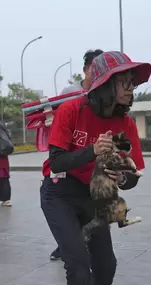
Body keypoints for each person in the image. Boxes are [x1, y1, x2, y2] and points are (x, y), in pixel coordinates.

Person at [41, 51, 149, 285]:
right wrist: (91, 151)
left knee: (106, 264)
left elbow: (134, 175)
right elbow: (56, 161)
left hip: (95, 196)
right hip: (59, 192)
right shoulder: (71, 109)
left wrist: (121, 176)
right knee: (76, 260)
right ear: (105, 85)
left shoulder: (125, 122)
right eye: (125, 83)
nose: (131, 89)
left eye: (132, 84)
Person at [50, 48, 104, 261]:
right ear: (85, 69)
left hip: (91, 170)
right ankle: (66, 245)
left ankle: (80, 244)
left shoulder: (105, 97)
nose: (98, 74)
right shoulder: (69, 93)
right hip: (68, 161)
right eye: (94, 69)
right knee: (65, 212)